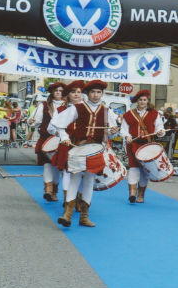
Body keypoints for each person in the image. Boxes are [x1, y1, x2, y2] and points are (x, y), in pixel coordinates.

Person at [51, 80, 119, 228]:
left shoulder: (107, 111)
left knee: (89, 180)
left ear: (102, 94)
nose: (96, 95)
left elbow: (111, 135)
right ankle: (67, 214)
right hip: (79, 148)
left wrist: (114, 132)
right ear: (88, 94)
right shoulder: (77, 108)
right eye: (93, 92)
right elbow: (58, 124)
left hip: (96, 150)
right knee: (75, 178)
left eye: (99, 92)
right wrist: (65, 138)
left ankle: (84, 216)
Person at [121, 90, 165, 203]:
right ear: (137, 101)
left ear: (147, 101)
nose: (142, 102)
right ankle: (132, 192)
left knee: (145, 170)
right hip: (133, 145)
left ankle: (141, 194)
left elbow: (160, 127)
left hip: (147, 145)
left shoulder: (154, 113)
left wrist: (160, 132)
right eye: (140, 100)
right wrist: (127, 136)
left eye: (144, 100)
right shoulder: (128, 114)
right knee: (133, 167)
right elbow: (123, 130)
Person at [49, 80, 85, 210]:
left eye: (79, 92)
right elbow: (51, 128)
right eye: (73, 92)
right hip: (67, 144)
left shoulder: (86, 108)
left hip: (82, 145)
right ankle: (67, 199)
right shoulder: (61, 109)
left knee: (81, 172)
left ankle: (79, 199)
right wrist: (62, 135)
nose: (76, 94)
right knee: (67, 171)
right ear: (68, 95)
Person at [29, 82, 66, 202]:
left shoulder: (69, 106)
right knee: (47, 165)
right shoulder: (44, 105)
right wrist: (31, 122)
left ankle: (54, 191)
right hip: (46, 139)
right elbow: (36, 121)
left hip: (63, 141)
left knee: (58, 167)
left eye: (61, 91)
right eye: (56, 90)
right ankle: (48, 191)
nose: (58, 93)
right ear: (52, 92)